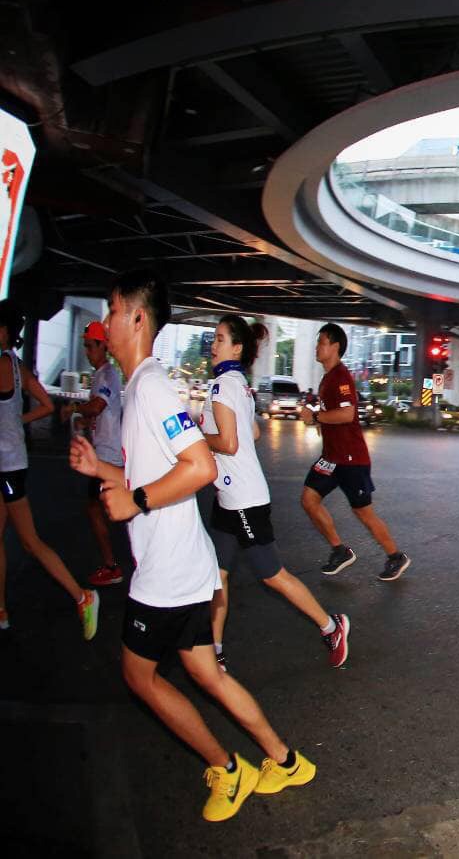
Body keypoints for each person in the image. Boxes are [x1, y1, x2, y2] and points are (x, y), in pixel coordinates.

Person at [69, 270, 315, 821]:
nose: (105, 322)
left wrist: (134, 500)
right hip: (184, 564)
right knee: (208, 675)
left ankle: (228, 770)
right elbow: (156, 470)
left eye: (112, 310)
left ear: (137, 318)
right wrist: (101, 470)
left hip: (168, 571)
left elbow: (200, 466)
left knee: (140, 676)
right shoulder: (141, 386)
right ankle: (285, 760)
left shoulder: (151, 388)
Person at [199, 315, 349, 670]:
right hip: (228, 497)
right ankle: (215, 650)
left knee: (272, 574)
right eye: (214, 338)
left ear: (237, 348)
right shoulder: (238, 383)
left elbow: (230, 443)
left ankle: (331, 627)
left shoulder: (224, 386)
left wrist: (194, 436)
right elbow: (252, 433)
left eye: (220, 339)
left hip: (243, 501)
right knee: (218, 574)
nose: (213, 345)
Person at [0, 301, 99, 638]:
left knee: (30, 542)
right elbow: (45, 405)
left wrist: (14, 421)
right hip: (12, 462)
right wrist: (17, 420)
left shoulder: (3, 364)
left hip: (8, 468)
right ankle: (1, 610)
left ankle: (82, 597)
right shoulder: (18, 368)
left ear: (4, 331)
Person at [299, 323, 410, 581]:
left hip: (350, 459)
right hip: (331, 458)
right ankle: (339, 550)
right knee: (308, 499)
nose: (317, 347)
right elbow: (332, 415)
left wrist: (315, 417)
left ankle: (395, 556)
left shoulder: (341, 376)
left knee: (363, 512)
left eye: (321, 342)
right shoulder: (327, 378)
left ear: (335, 346)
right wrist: (318, 420)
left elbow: (347, 414)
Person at [63, 321, 125, 586]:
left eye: (91, 346)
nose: (87, 352)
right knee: (106, 508)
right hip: (104, 454)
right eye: (86, 346)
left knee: (103, 509)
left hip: (107, 457)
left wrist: (74, 408)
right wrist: (83, 421)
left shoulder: (107, 375)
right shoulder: (101, 375)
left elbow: (98, 406)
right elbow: (100, 413)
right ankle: (116, 563)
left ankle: (112, 566)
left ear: (103, 347)